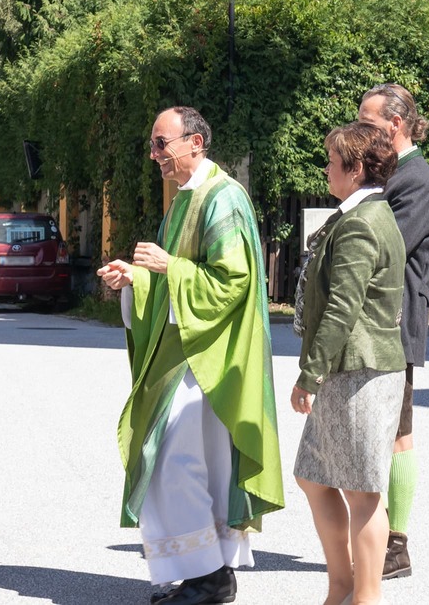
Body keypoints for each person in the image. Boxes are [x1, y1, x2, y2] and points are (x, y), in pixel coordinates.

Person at [97, 106, 283, 605]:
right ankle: (206, 575)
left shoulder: (223, 198)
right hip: (185, 352)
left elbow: (232, 281)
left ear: (195, 143)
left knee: (175, 463)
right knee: (186, 464)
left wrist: (168, 267)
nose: (154, 154)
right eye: (152, 145)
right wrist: (135, 278)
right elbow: (169, 275)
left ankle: (209, 577)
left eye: (161, 144)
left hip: (212, 358)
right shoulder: (185, 199)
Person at [291, 121, 408, 605]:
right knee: (313, 476)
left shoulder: (361, 222)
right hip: (351, 371)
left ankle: (364, 596)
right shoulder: (363, 214)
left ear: (355, 168)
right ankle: (342, 585)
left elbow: (343, 307)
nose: (326, 168)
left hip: (360, 372)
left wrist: (310, 374)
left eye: (332, 161)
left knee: (362, 491)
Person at [357, 84, 429, 580]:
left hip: (394, 326)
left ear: (395, 125)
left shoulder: (416, 181)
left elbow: (382, 248)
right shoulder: (398, 176)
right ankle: (386, 542)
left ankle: (396, 546)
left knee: (398, 437)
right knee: (392, 434)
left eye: (368, 123)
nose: (361, 132)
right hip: (384, 325)